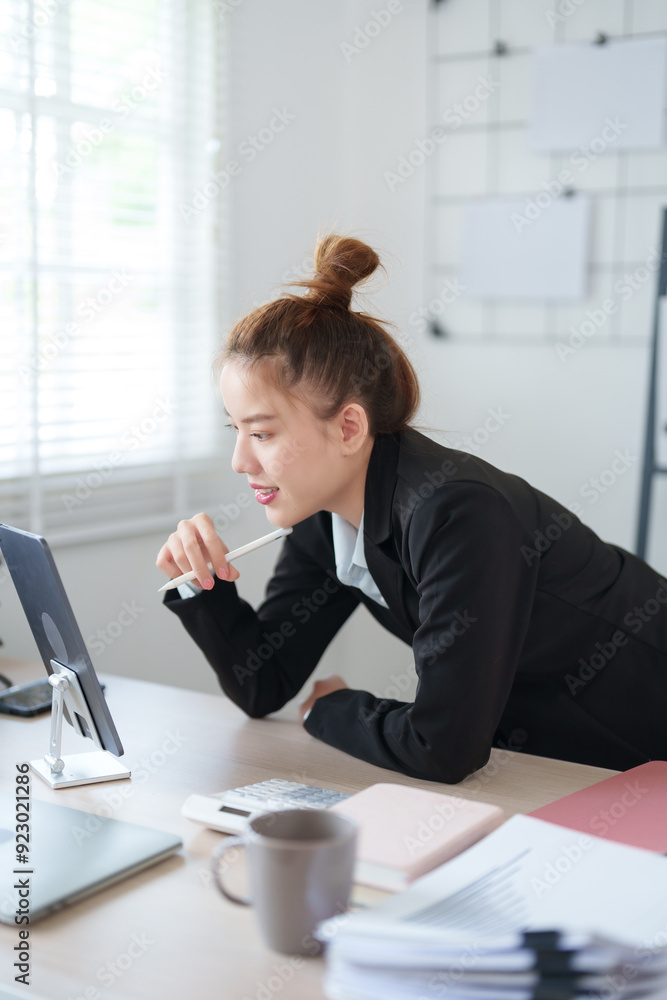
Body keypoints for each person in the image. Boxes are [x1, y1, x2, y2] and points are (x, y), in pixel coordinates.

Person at [156, 233, 667, 784]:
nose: (239, 461)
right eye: (237, 431)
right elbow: (264, 682)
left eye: (261, 433)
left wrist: (332, 708)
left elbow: (442, 747)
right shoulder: (323, 518)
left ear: (349, 427)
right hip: (552, 756)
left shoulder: (459, 511)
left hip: (636, 737)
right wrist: (201, 585)